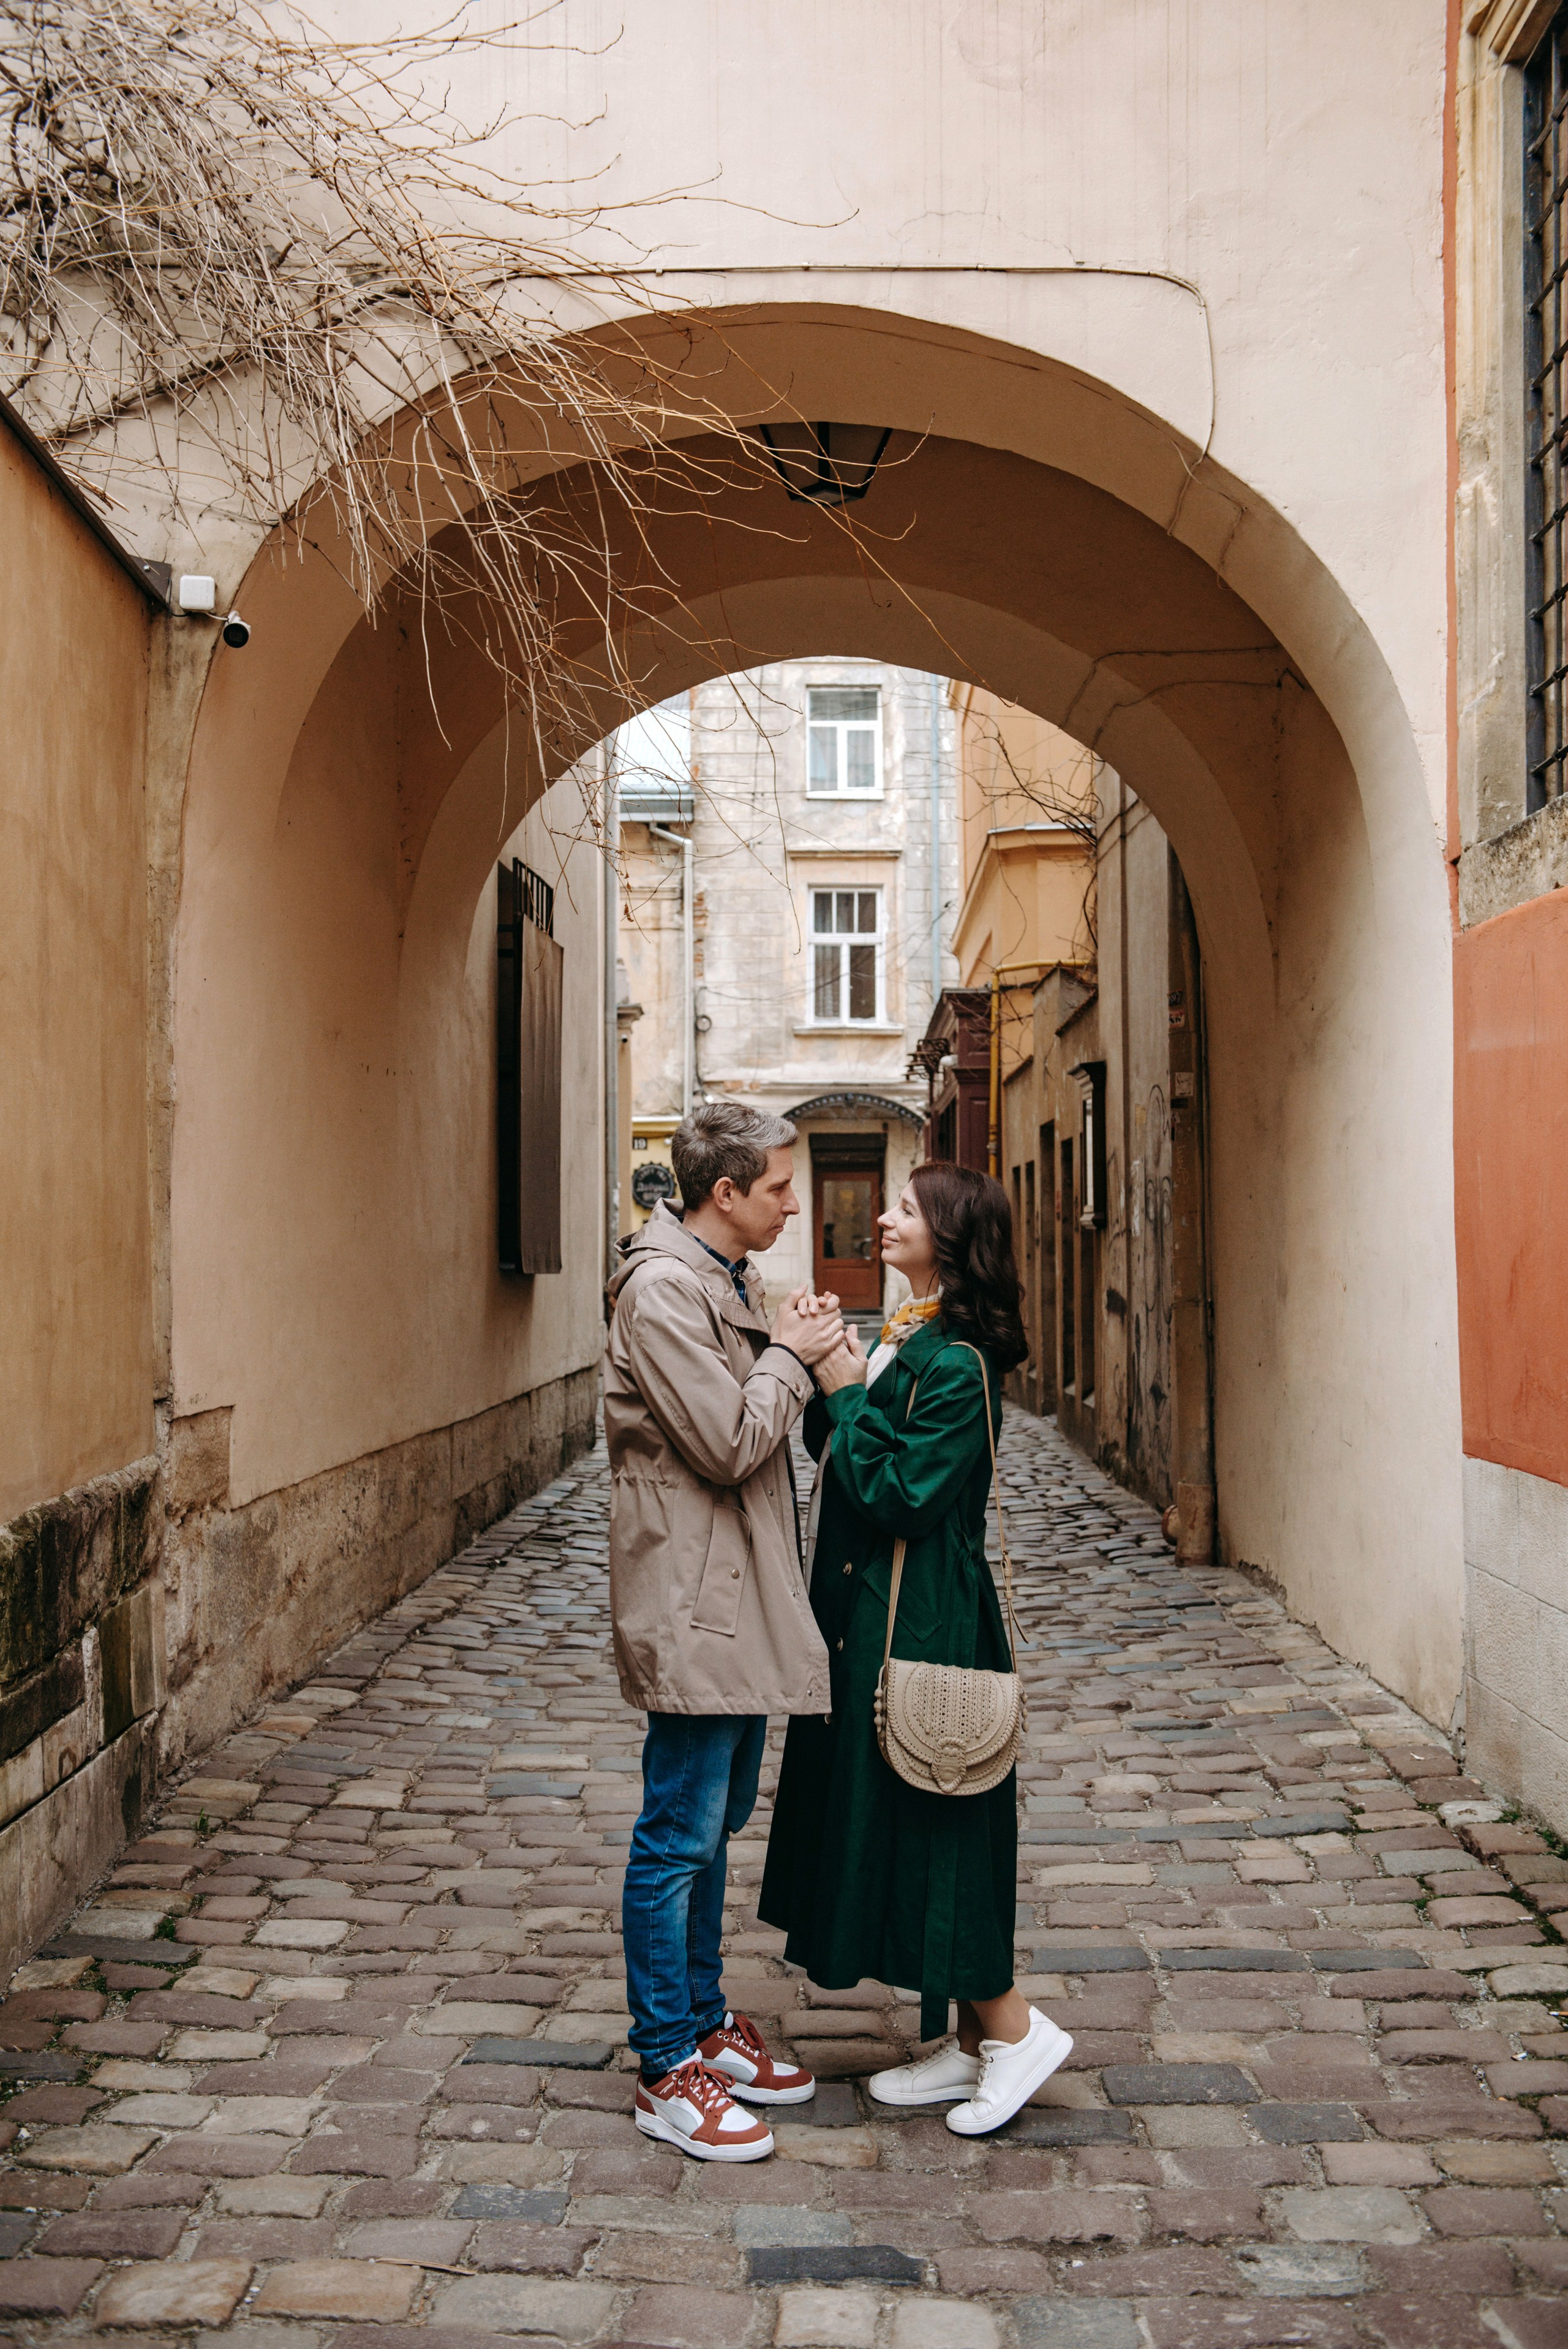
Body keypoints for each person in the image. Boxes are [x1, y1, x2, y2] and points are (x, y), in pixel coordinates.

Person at [758, 1161, 1074, 2136]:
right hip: (873, 1614)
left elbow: (904, 1494)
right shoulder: (912, 1337)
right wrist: (827, 1371)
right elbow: (848, 1460)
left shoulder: (962, 1360)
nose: (884, 1218)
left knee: (939, 1825)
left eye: (906, 1208)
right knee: (894, 1822)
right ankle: (971, 2044)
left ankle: (1016, 2035)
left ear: (950, 1234)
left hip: (925, 1622)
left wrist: (849, 1389)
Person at [605, 1100, 847, 2162]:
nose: (794, 1203)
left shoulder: (719, 1277)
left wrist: (781, 1336)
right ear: (725, 1194)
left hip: (732, 1589)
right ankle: (667, 2066)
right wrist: (791, 1357)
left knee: (715, 1825)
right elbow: (730, 1439)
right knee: (678, 1833)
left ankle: (702, 2022)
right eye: (780, 1188)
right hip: (696, 1595)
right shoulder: (663, 1290)